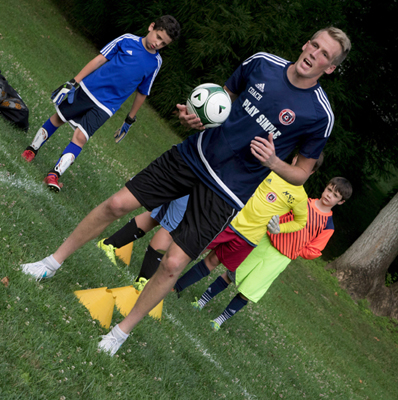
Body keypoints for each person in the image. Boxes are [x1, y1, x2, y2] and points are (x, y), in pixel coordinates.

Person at [21, 27, 351, 356]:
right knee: (117, 204)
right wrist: (198, 117)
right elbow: (222, 101)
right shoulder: (262, 63)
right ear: (305, 43)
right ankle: (50, 263)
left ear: (330, 68)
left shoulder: (319, 115)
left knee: (173, 263)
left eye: (325, 54)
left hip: (228, 190)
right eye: (314, 45)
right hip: (193, 156)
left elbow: (302, 172)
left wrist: (275, 162)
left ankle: (119, 334)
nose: (314, 54)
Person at [21, 16, 181, 192]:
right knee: (59, 118)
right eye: (158, 37)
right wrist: (73, 82)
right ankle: (31, 150)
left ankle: (54, 175)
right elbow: (99, 59)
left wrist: (130, 119)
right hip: (89, 90)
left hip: (107, 106)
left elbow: (143, 91)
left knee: (81, 137)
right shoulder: (127, 40)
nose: (158, 44)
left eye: (163, 43)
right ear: (152, 27)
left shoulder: (156, 63)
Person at [191, 177, 352, 331]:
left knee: (250, 289)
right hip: (265, 242)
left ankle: (219, 321)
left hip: (280, 259)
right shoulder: (302, 203)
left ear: (341, 201)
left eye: (335, 195)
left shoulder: (328, 226)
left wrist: (296, 248)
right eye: (329, 190)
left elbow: (315, 249)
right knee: (232, 273)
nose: (329, 195)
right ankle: (201, 302)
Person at [173, 153, 324, 295]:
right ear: (295, 157)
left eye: (306, 167)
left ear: (310, 173)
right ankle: (165, 276)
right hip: (230, 220)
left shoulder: (300, 196)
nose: (299, 165)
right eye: (299, 159)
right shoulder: (271, 170)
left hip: (249, 237)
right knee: (196, 247)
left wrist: (280, 228)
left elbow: (300, 222)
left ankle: (176, 288)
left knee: (214, 260)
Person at [98, 196, 189, 281]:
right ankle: (143, 280)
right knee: (170, 230)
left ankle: (108, 244)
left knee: (157, 216)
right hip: (193, 187)